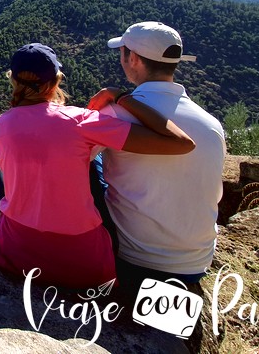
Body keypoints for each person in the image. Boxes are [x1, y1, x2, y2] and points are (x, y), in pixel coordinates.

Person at [0, 43, 195, 289]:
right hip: (81, 262)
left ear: (12, 80)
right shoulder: (81, 121)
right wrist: (121, 98)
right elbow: (180, 143)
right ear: (55, 82)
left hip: (16, 250)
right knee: (91, 155)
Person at [88, 21, 226, 293]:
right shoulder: (211, 124)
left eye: (122, 52)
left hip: (134, 259)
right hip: (195, 264)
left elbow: (68, 159)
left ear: (134, 59)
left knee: (92, 160)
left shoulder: (116, 113)